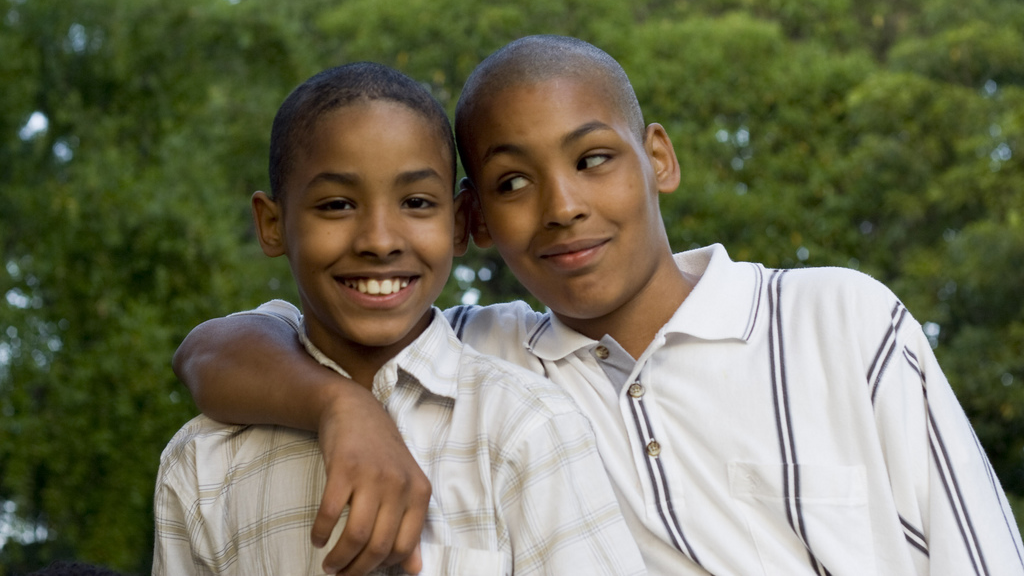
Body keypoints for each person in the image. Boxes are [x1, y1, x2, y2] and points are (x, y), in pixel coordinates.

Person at [174, 37, 1024, 575]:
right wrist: (338, 407)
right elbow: (218, 350)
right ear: (473, 220)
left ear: (658, 156)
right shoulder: (480, 359)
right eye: (512, 182)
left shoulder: (836, 320)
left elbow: (980, 552)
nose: (562, 206)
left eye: (593, 159)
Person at [152, 62, 646, 576]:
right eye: (338, 205)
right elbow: (204, 348)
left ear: (458, 223)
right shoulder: (203, 462)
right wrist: (339, 406)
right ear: (273, 225)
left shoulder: (525, 426)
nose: (380, 241)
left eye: (415, 202)